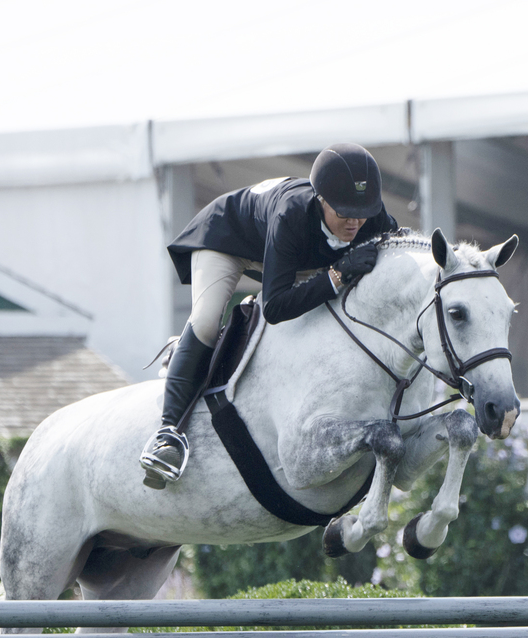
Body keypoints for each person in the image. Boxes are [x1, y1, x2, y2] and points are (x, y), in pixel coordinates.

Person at [140, 143, 400, 488]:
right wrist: (336, 276)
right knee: (205, 319)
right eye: (344, 212)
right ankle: (168, 432)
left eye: (362, 212)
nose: (355, 222)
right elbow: (276, 307)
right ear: (321, 199)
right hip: (230, 241)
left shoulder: (373, 217)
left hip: (295, 256)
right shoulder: (291, 214)